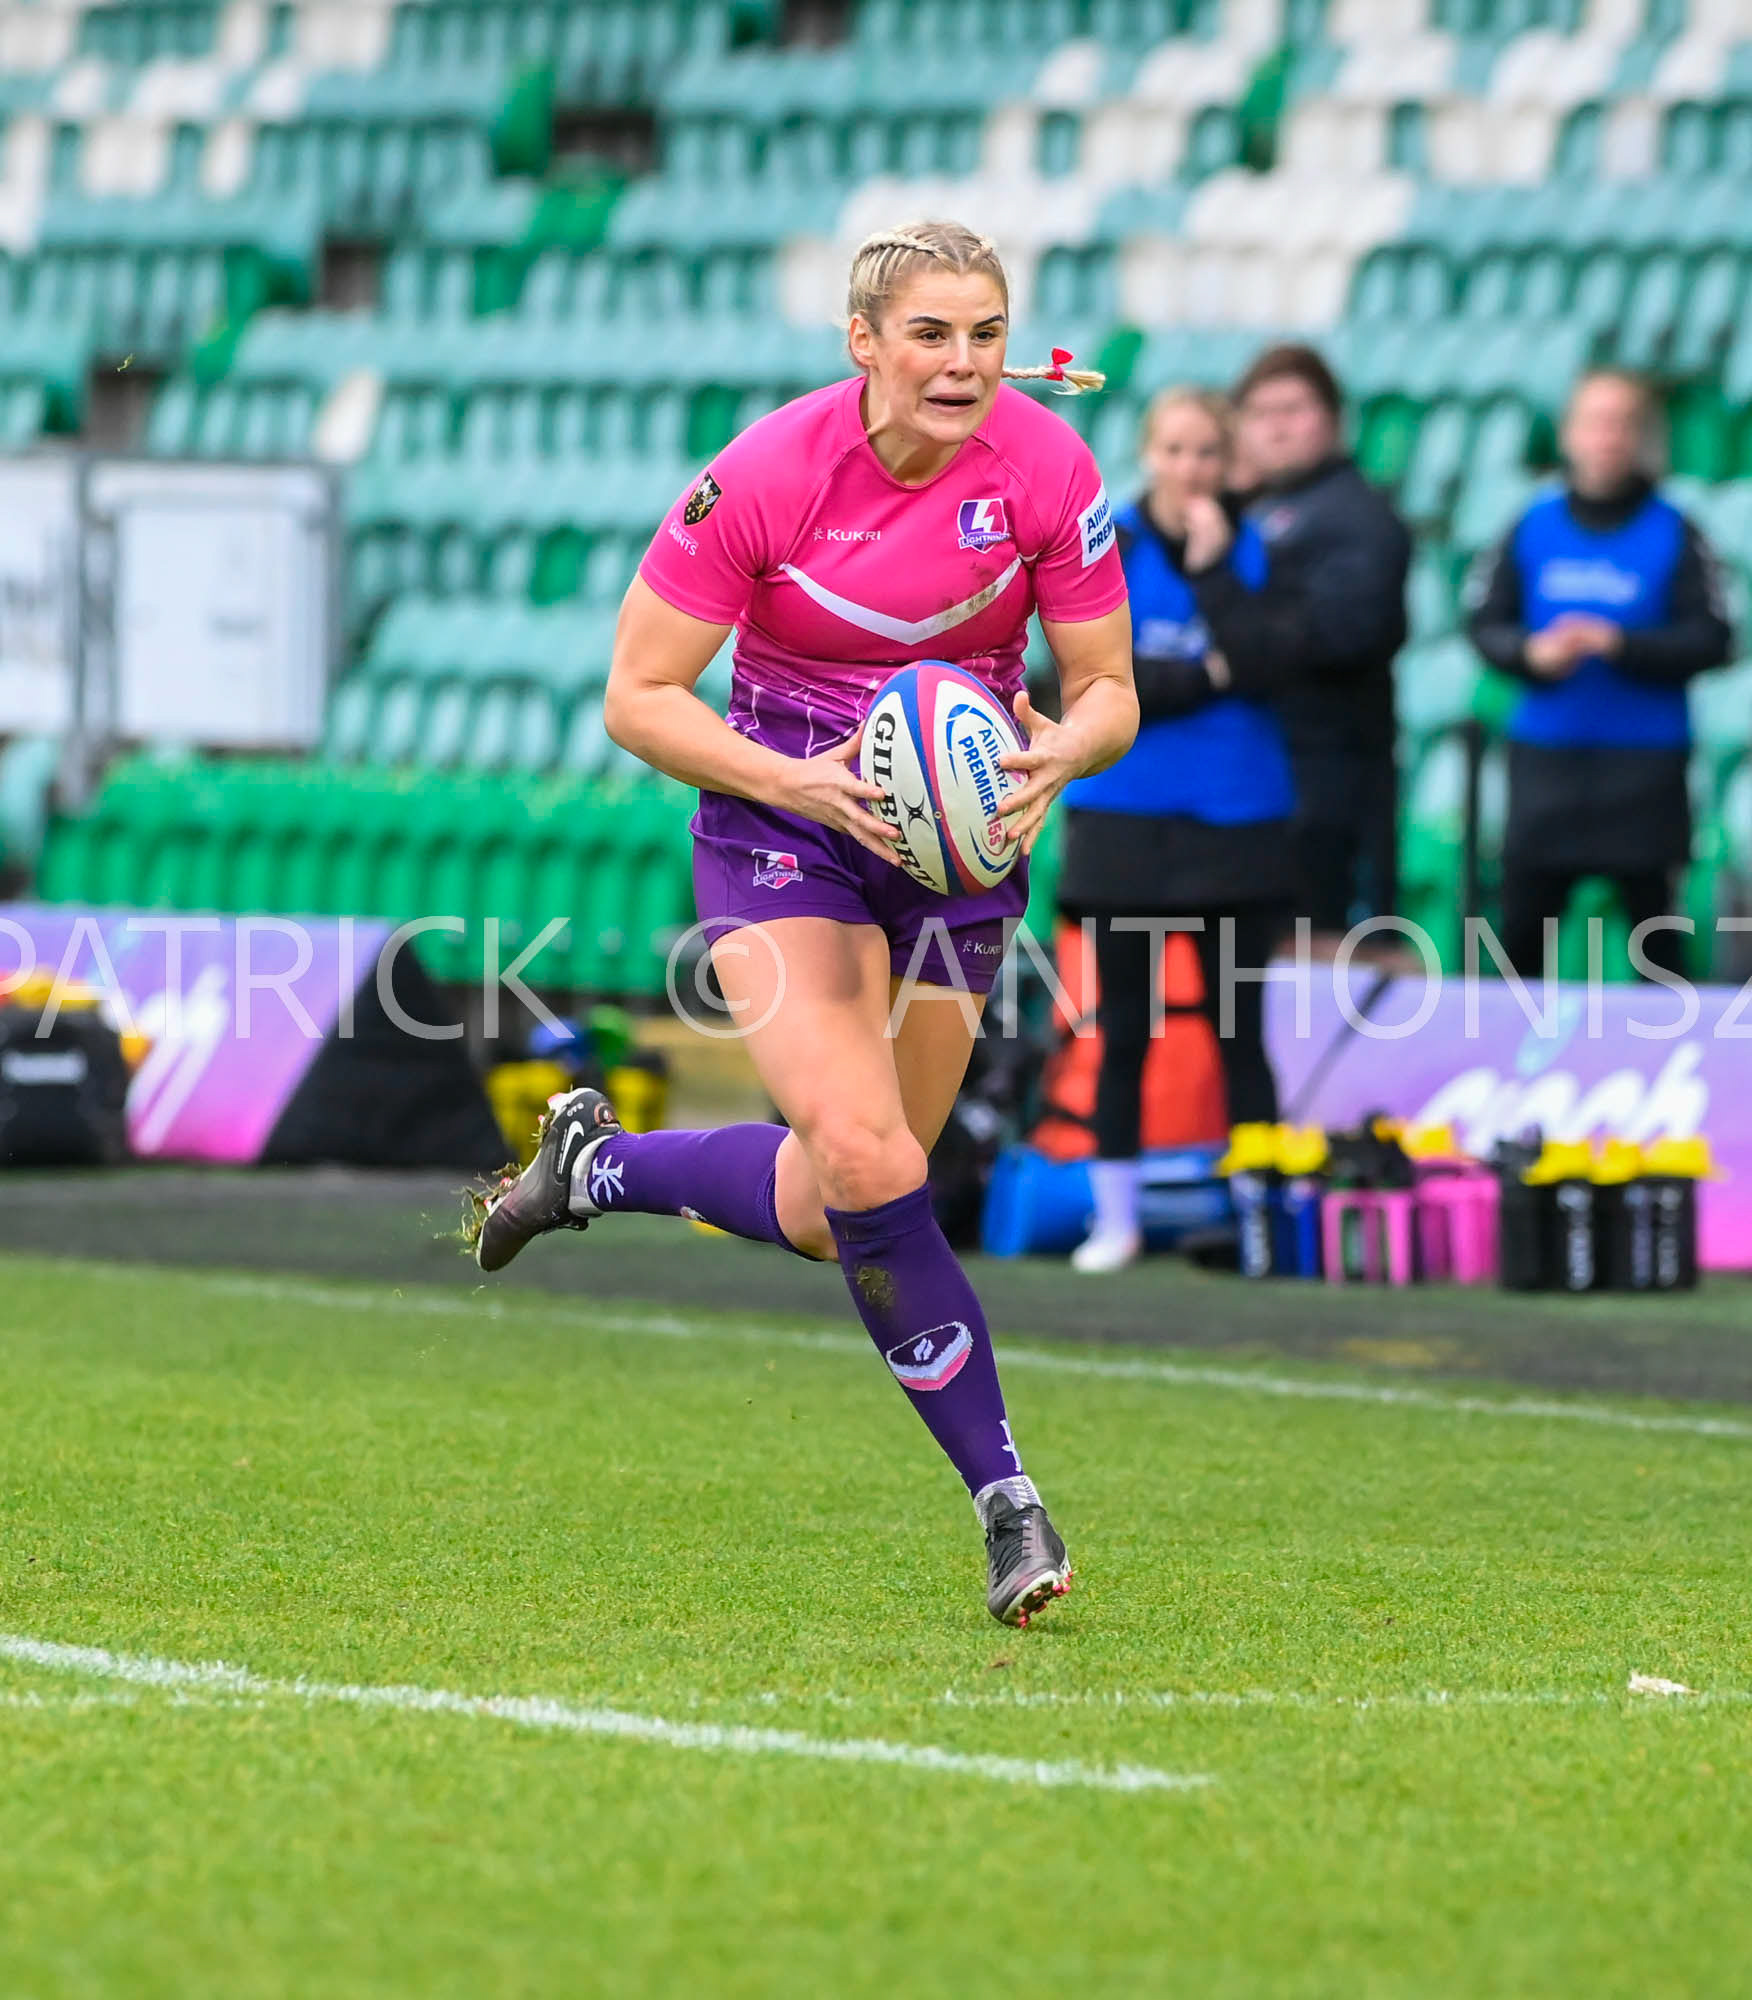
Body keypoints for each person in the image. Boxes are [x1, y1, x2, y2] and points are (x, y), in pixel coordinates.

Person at [463, 220, 1135, 1627]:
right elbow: (638, 696)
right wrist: (798, 786)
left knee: (848, 1209)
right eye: (933, 334)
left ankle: (600, 1169)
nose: (965, 363)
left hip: (961, 853)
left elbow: (1110, 692)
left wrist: (1059, 756)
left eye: (989, 334)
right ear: (864, 342)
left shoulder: (1051, 469)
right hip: (783, 836)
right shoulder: (768, 473)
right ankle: (1008, 1502)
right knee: (870, 1149)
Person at [1059, 386, 1300, 1273]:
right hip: (1123, 820)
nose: (1192, 469)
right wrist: (1208, 673)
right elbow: (1094, 677)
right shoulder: (1103, 543)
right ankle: (1113, 1220)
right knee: (1124, 1030)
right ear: (1149, 453)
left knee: (1242, 1031)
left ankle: (1261, 1221)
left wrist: (1210, 577)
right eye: (1176, 450)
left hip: (1239, 822)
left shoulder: (1255, 548)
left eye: (1208, 452)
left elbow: (1276, 665)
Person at [1466, 369, 1735, 980]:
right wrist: (1530, 655)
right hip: (1546, 762)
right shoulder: (1530, 526)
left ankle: (1667, 1065)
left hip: (1644, 769)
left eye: (1622, 423)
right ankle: (1507, 1066)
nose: (1607, 437)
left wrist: (1622, 646)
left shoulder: (1678, 531)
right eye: (1594, 421)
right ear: (1569, 434)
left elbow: (1714, 640)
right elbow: (1485, 624)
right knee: (1521, 943)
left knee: (1655, 945)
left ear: (1642, 437)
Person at [1233, 343, 1412, 942]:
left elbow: (1351, 634)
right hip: (1268, 771)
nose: (1276, 426)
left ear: (1332, 419)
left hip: (1333, 780)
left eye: (1294, 409)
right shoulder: (1256, 509)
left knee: (1327, 962)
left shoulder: (1357, 514)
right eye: (1261, 412)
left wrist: (1231, 638)